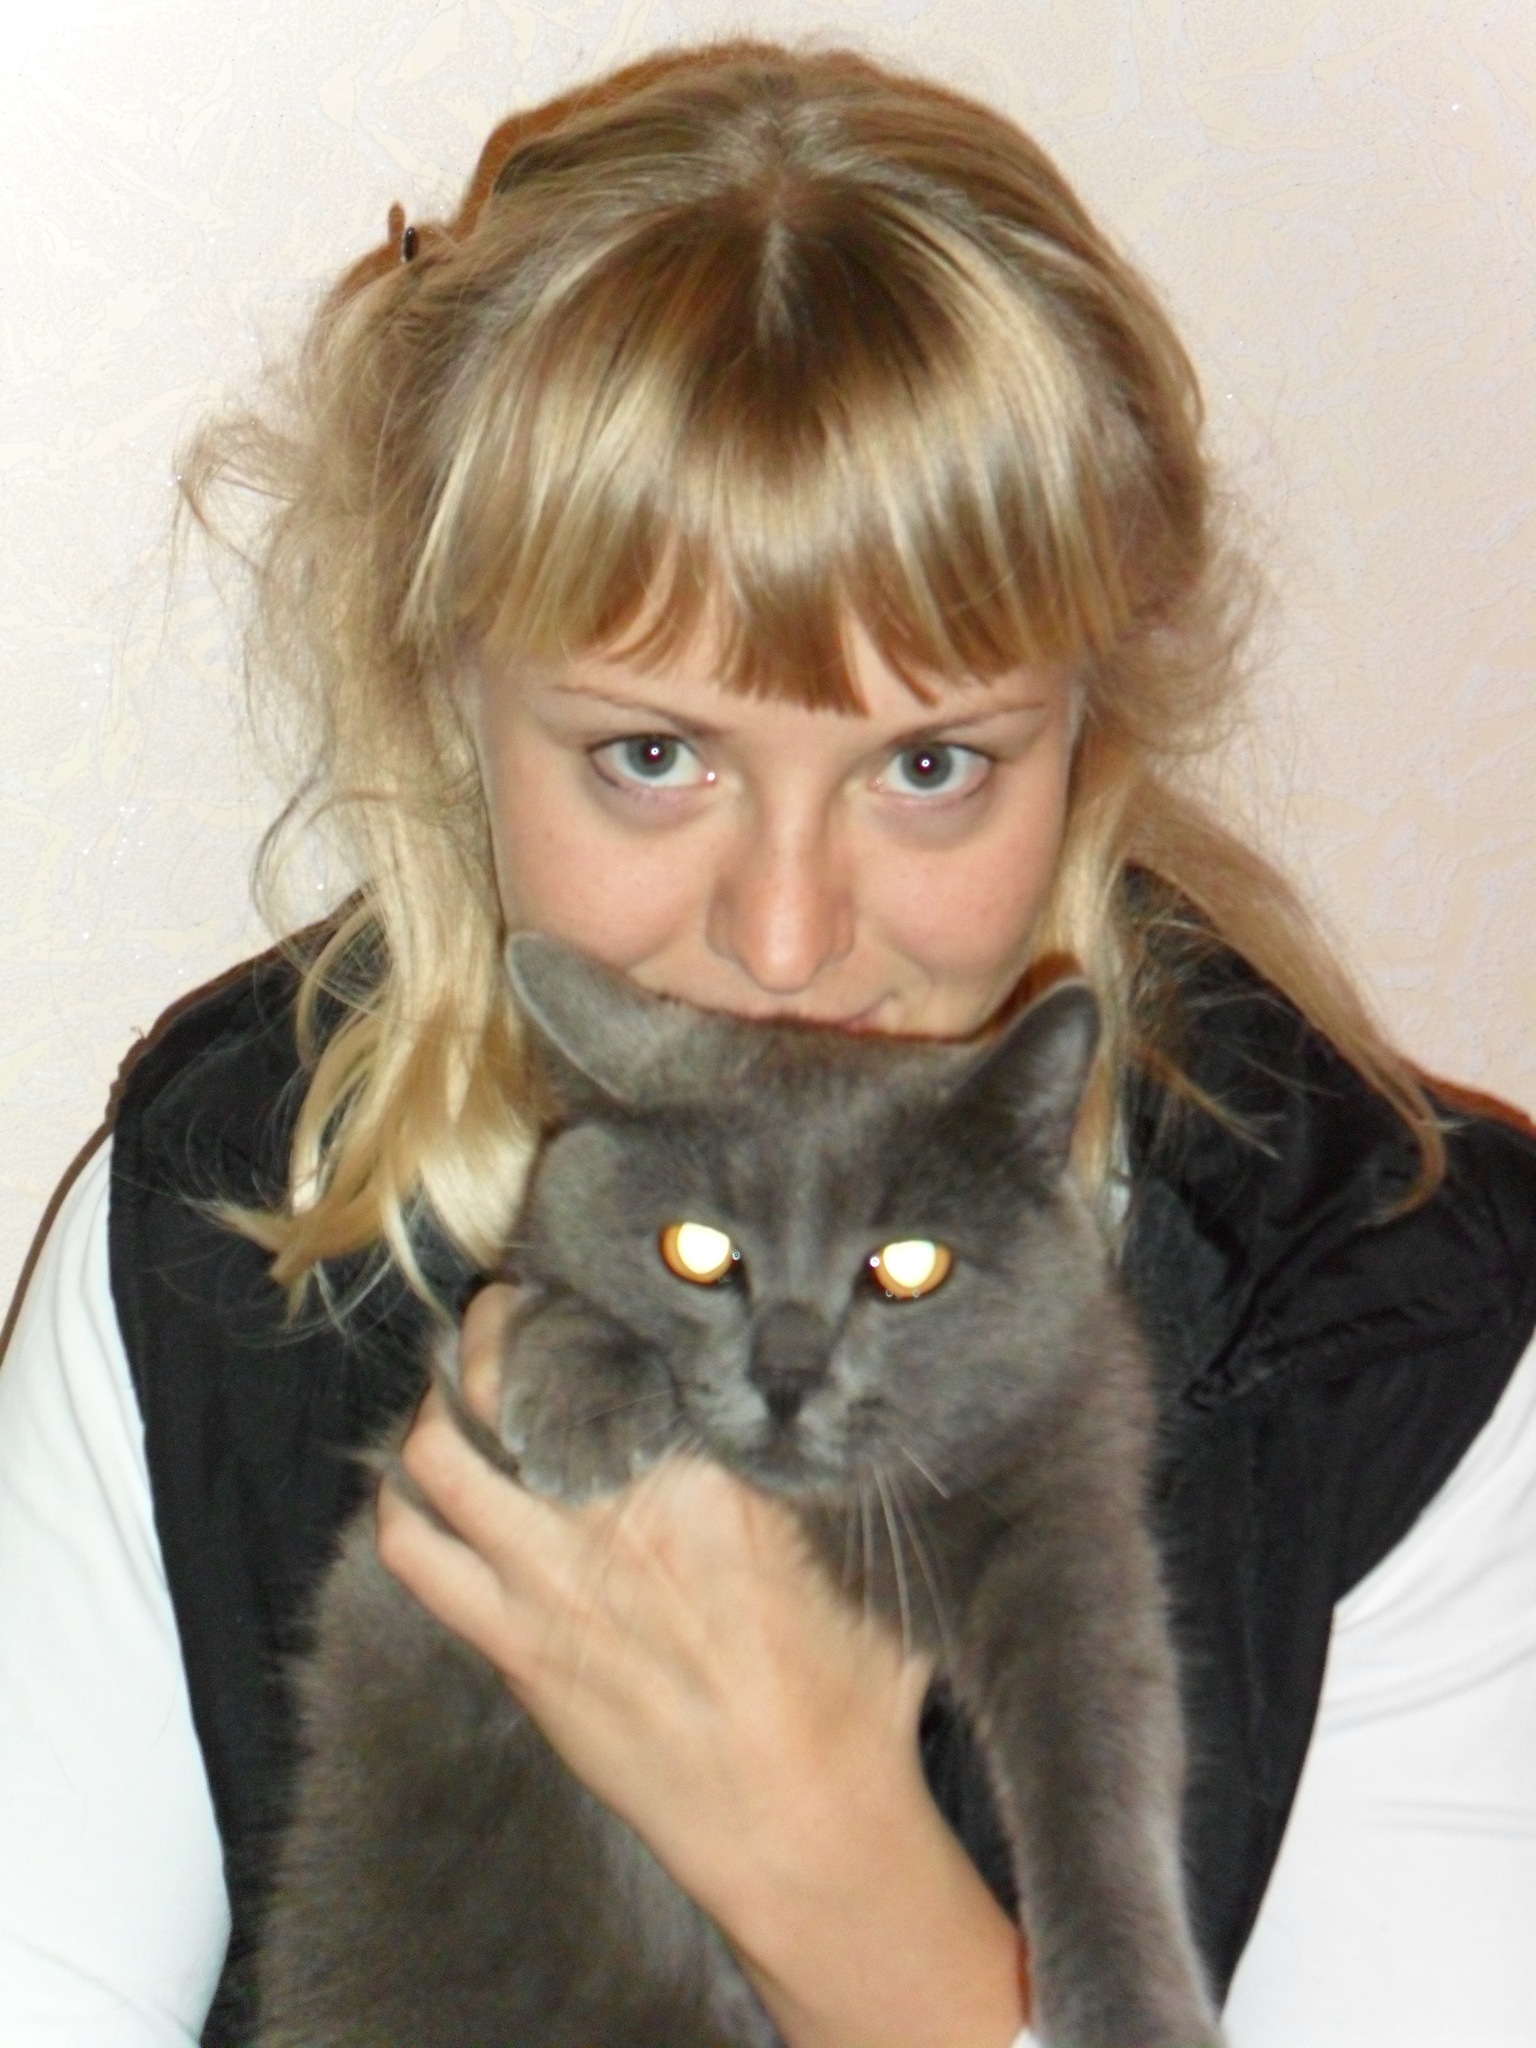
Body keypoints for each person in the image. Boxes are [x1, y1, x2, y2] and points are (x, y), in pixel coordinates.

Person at [1, 37, 1533, 2048]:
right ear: (458, 696)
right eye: (654, 755)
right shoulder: (219, 1222)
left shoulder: (1390, 1339)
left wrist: (830, 1867)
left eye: (929, 764)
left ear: (1087, 733)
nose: (788, 940)